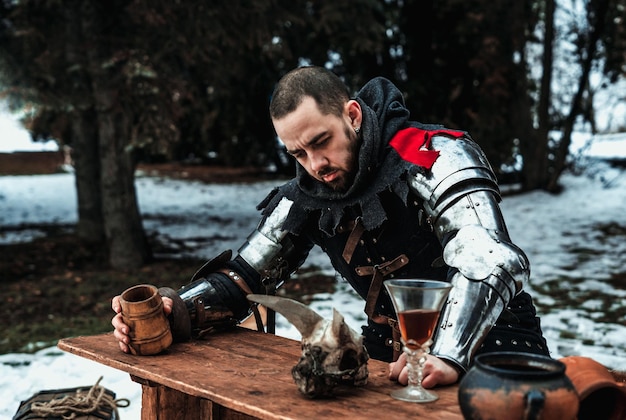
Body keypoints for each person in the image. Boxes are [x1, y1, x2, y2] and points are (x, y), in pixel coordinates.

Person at [112, 66, 549, 388]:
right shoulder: (306, 193)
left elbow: (490, 260)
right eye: (298, 153)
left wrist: (449, 352)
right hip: (389, 359)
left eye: (322, 142)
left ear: (353, 116)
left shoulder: (432, 154)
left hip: (497, 345)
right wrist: (178, 310)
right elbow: (245, 277)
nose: (315, 165)